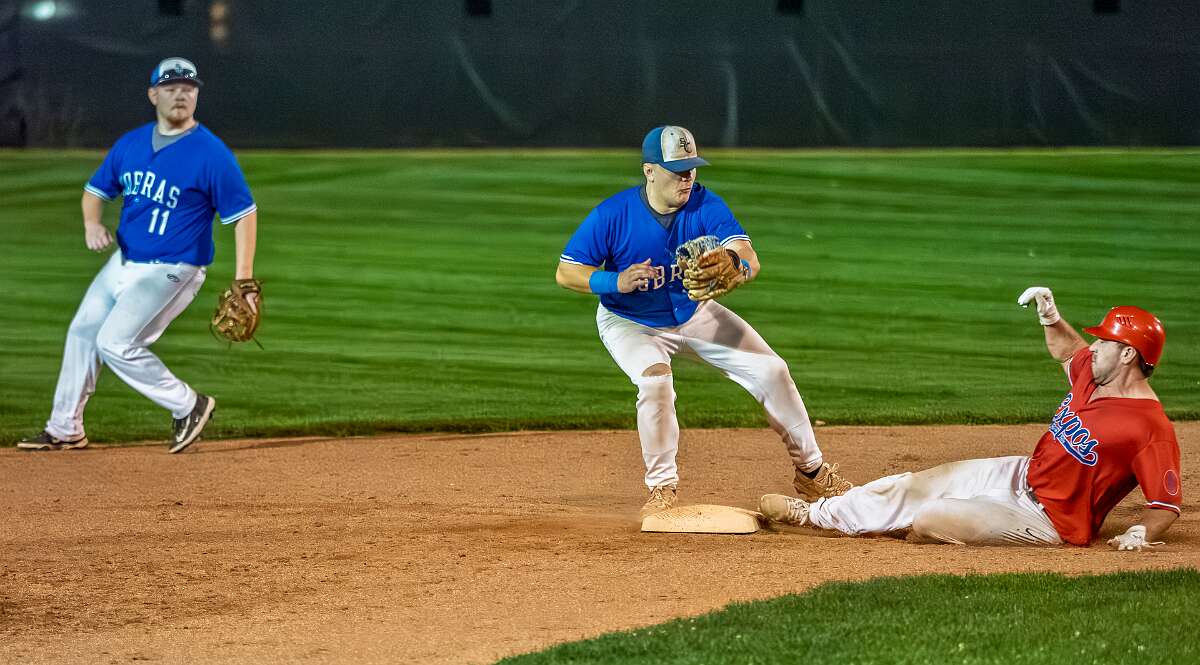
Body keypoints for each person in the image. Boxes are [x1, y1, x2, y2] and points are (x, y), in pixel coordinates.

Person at [555, 125, 851, 519]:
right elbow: (566, 272)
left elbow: (747, 256)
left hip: (695, 313)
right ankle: (662, 487)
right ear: (649, 171)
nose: (687, 177)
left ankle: (812, 472)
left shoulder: (705, 205)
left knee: (773, 370)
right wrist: (615, 281)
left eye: (691, 168)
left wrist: (736, 265)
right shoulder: (612, 214)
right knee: (655, 381)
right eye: (677, 170)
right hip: (630, 322)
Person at [760, 287, 1181, 551]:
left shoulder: (1150, 428)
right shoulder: (1095, 372)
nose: (1094, 346)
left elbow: (1165, 504)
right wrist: (1051, 318)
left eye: (1104, 341)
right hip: (1021, 473)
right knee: (913, 485)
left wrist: (1141, 532)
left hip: (1051, 521)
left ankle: (889, 527)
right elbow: (1068, 350)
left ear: (1128, 354)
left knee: (931, 517)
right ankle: (814, 515)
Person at [18, 57, 258, 454]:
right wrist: (91, 224)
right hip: (124, 260)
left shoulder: (212, 154)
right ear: (153, 95)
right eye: (171, 88)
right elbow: (95, 191)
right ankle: (65, 427)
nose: (180, 94)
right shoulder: (130, 144)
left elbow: (244, 214)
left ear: (196, 95)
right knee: (82, 332)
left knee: (115, 342)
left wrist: (244, 279)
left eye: (188, 88)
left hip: (174, 266)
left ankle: (188, 404)